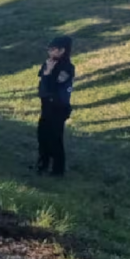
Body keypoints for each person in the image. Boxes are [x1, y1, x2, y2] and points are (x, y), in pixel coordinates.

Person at [36, 36, 75, 176]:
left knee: (55, 138)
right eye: (49, 49)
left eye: (53, 49)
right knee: (42, 135)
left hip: (58, 107)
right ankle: (42, 164)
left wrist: (48, 73)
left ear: (62, 50)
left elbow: (53, 87)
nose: (50, 52)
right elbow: (42, 82)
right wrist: (46, 72)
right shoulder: (48, 63)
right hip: (46, 105)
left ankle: (58, 170)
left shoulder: (67, 68)